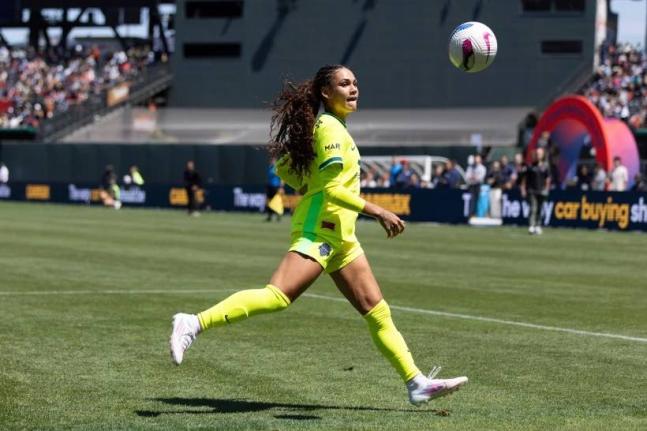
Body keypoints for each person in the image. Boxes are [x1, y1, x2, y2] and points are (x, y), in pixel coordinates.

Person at [169, 64, 467, 406]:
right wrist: (379, 210)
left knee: (377, 311)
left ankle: (416, 383)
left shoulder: (333, 127)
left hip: (342, 236)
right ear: (326, 92)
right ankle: (192, 323)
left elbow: (294, 175)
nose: (353, 88)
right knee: (278, 296)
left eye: (355, 82)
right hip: (319, 228)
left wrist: (304, 173)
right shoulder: (330, 128)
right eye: (344, 83)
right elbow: (331, 190)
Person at [520, 148, 550, 235]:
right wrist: (523, 189)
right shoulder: (530, 166)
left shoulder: (545, 166)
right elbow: (524, 179)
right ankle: (531, 226)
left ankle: (538, 225)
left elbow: (547, 179)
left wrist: (547, 189)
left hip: (541, 190)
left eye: (540, 154)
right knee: (533, 208)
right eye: (537, 154)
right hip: (531, 190)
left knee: (540, 209)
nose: (538, 155)